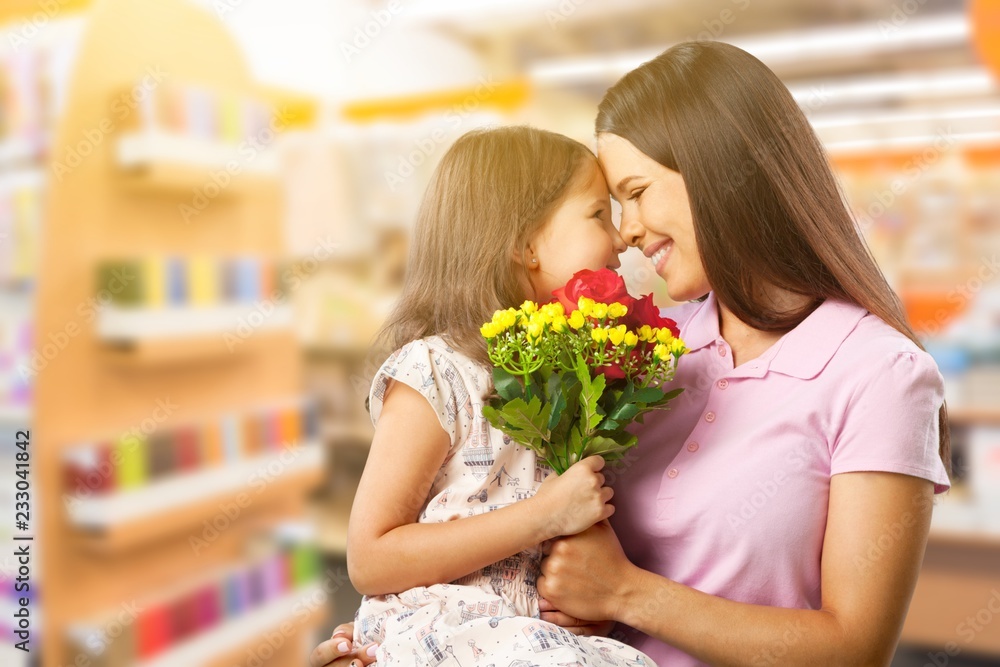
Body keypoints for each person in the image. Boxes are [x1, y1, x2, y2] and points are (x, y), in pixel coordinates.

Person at [312, 41, 952, 666]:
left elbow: (855, 649)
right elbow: (491, 539)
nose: (629, 233)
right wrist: (403, 639)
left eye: (637, 192)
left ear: (719, 173)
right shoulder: (645, 353)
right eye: (611, 208)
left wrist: (627, 593)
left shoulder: (881, 375)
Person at [317, 125, 656, 667]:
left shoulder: (565, 375)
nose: (619, 239)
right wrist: (542, 517)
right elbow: (370, 557)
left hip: (524, 639)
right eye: (598, 214)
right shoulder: (435, 370)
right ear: (524, 245)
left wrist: (589, 609)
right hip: (446, 636)